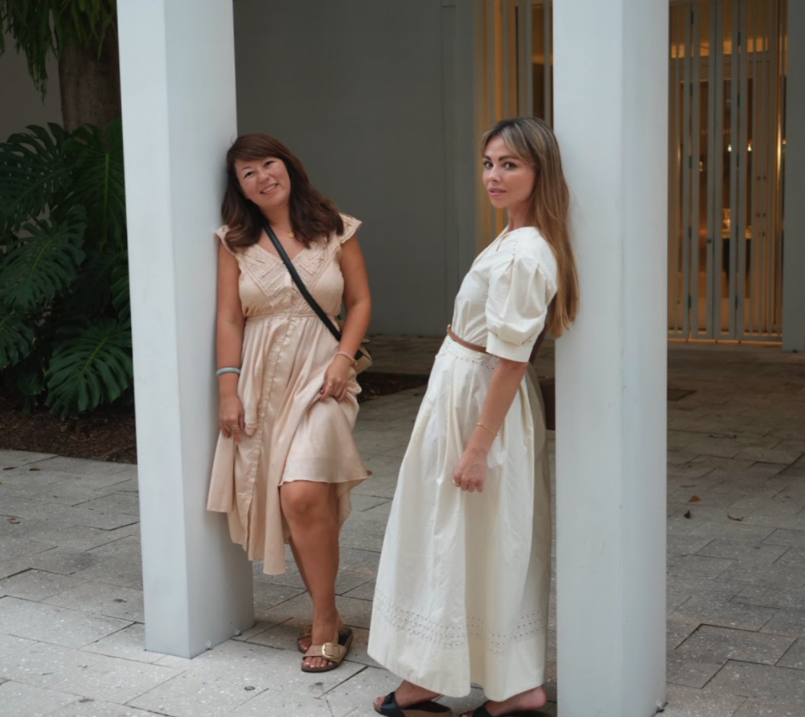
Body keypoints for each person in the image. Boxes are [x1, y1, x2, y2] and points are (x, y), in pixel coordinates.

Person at [367, 117, 579, 717]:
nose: (494, 175)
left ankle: (451, 682)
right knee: (478, 538)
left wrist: (478, 444)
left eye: (509, 164)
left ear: (540, 172)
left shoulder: (527, 252)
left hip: (483, 405)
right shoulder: (514, 239)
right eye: (488, 162)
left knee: (460, 536)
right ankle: (506, 686)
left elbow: (512, 359)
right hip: (467, 393)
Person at [207, 133, 372, 673]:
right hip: (260, 379)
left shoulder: (336, 229)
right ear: (242, 191)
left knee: (301, 493)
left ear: (289, 167)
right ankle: (330, 616)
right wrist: (228, 389)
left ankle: (325, 624)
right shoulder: (233, 243)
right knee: (302, 503)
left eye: (267, 164)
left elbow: (359, 300)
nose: (261, 177)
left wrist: (344, 360)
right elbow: (230, 318)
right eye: (247, 174)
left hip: (322, 377)